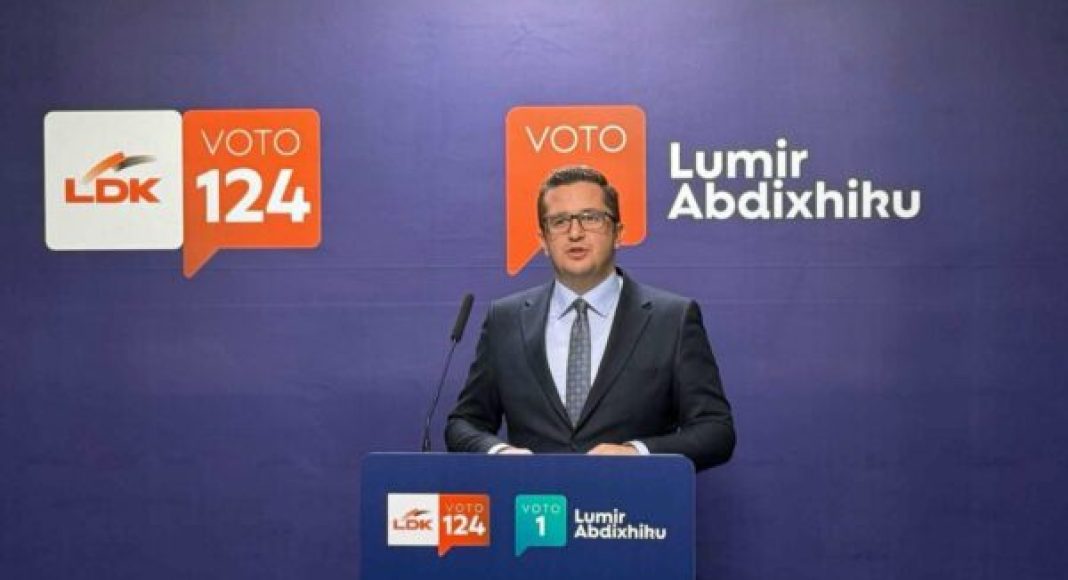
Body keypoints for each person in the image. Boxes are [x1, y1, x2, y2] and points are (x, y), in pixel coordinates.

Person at [445, 166, 734, 471]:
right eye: (559, 221)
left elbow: (715, 431)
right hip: (532, 498)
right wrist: (498, 453)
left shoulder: (672, 319)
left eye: (591, 218)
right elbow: (464, 423)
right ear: (543, 240)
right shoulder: (505, 319)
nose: (575, 233)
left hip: (630, 499)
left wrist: (637, 453)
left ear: (618, 233)